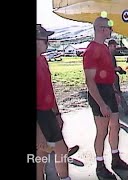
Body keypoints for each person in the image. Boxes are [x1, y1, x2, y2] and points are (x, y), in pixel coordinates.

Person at [82, 16, 128, 180]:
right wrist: (102, 104)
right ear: (102, 29)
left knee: (115, 126)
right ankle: (99, 165)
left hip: (109, 91)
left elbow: (109, 72)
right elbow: (90, 81)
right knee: (102, 131)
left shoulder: (104, 48)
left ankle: (116, 158)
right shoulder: (91, 50)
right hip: (98, 93)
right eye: (109, 28)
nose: (111, 30)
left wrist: (115, 93)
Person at [36, 24, 71, 180]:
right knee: (47, 152)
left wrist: (57, 113)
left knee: (46, 152)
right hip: (39, 117)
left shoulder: (43, 60)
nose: (47, 42)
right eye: (44, 39)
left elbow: (49, 90)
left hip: (48, 113)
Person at [108, 39, 128, 116]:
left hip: (114, 77)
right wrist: (118, 69)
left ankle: (122, 108)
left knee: (117, 93)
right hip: (111, 78)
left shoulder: (111, 55)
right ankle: (124, 109)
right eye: (114, 46)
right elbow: (107, 68)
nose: (115, 48)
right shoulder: (108, 56)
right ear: (109, 46)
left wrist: (119, 69)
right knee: (116, 93)